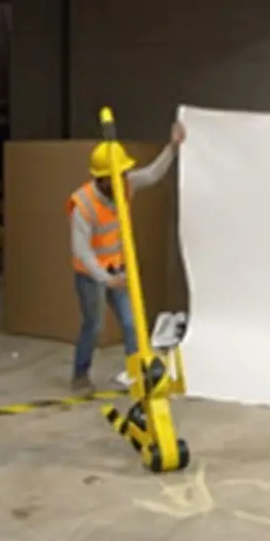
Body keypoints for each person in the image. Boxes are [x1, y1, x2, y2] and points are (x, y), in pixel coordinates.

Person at [66, 122, 186, 395]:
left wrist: (173, 146)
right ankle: (80, 376)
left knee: (132, 324)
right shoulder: (83, 204)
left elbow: (153, 174)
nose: (124, 178)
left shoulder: (126, 185)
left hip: (119, 268)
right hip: (91, 275)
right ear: (103, 178)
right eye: (117, 174)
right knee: (93, 326)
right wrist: (105, 279)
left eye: (124, 173)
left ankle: (138, 374)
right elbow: (81, 250)